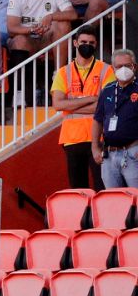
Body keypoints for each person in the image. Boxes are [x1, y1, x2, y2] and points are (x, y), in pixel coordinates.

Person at [52, 29, 115, 190]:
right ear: (75, 43)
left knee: (102, 187)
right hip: (72, 138)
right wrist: (92, 99)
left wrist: (72, 104)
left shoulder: (106, 70)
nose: (87, 45)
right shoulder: (64, 72)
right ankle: (83, 217)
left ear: (96, 45)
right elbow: (58, 104)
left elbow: (107, 105)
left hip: (99, 138)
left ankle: (101, 217)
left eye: (91, 43)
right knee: (78, 189)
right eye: (83, 42)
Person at [94, 50, 138, 195]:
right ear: (113, 69)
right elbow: (98, 119)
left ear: (134, 67)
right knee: (113, 199)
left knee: (136, 198)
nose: (123, 69)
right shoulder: (107, 90)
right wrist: (95, 147)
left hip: (133, 152)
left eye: (127, 65)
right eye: (119, 66)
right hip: (109, 155)